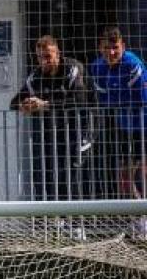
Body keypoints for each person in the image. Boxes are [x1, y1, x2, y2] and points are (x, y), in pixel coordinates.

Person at [9, 35, 92, 202]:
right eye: (40, 57)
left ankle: (78, 224)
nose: (44, 61)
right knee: (51, 176)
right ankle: (60, 220)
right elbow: (13, 102)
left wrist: (44, 104)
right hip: (54, 135)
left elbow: (79, 100)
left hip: (81, 131)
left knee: (74, 176)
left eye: (48, 56)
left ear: (58, 54)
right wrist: (26, 105)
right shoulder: (36, 76)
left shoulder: (73, 68)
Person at [89, 27, 147, 201]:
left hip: (144, 125)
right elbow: (105, 101)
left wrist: (117, 99)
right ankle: (140, 218)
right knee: (125, 177)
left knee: (137, 174)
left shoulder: (132, 63)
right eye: (107, 48)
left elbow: (141, 99)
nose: (111, 52)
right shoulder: (97, 67)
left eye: (116, 48)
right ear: (100, 48)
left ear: (123, 46)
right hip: (124, 126)